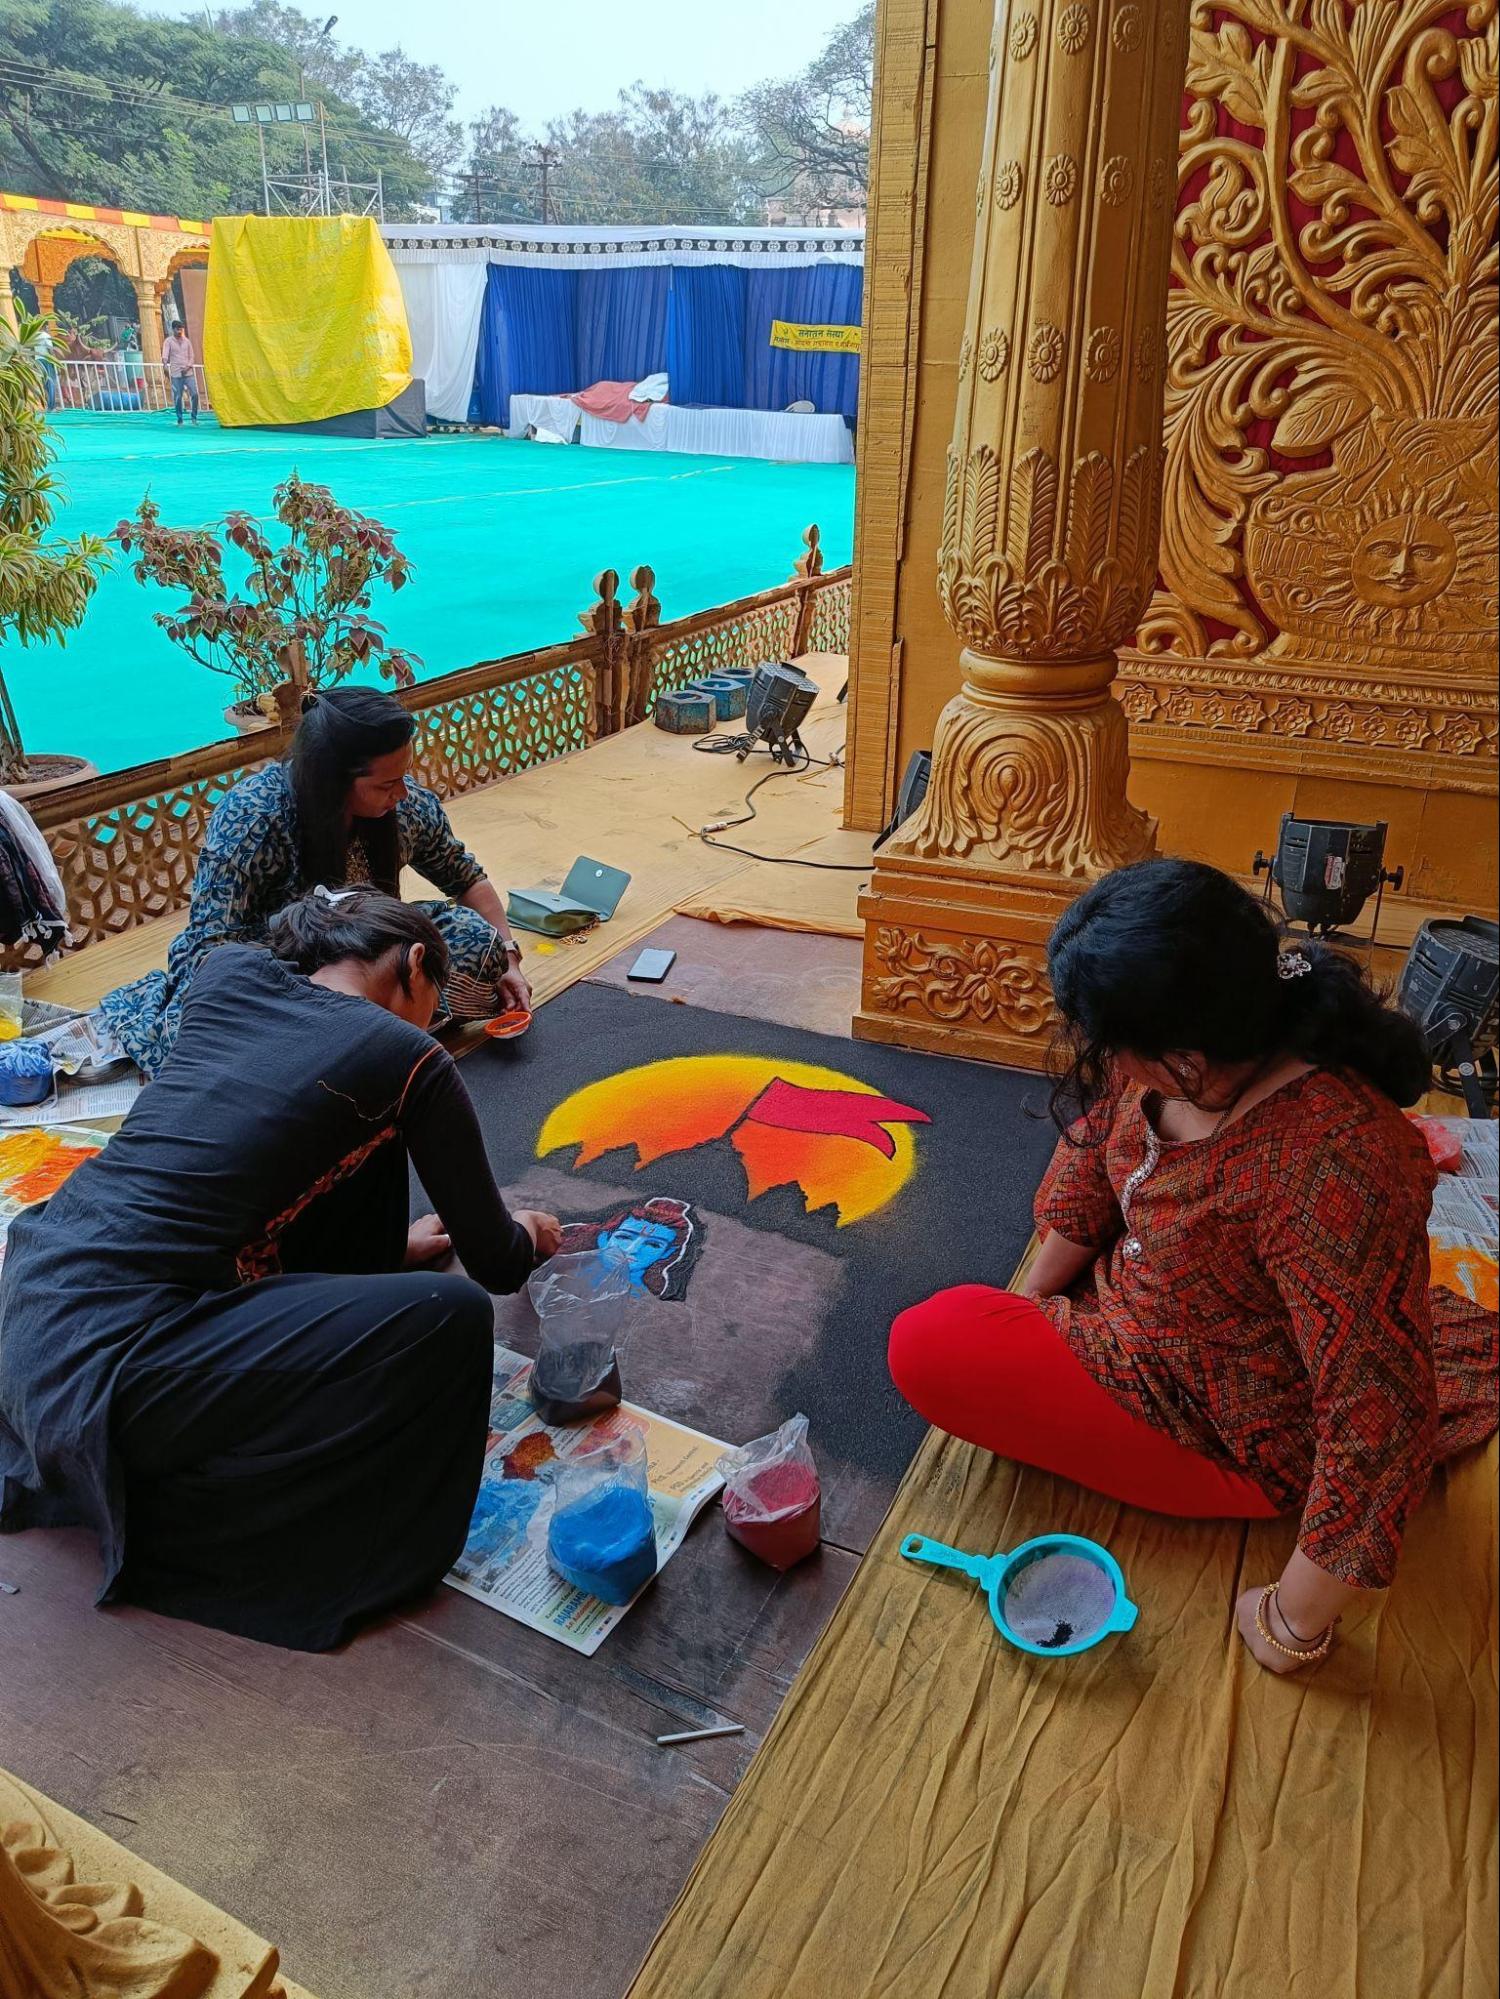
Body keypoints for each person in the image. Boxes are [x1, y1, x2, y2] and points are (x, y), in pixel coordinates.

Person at [889, 860, 1497, 1675]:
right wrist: (1030, 1310)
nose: (1106, 1060)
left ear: (1183, 1055)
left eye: (1117, 1047)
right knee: (960, 1332)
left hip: (1232, 1421)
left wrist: (1291, 1623)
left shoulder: (1335, 1162)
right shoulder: (1179, 1051)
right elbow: (1092, 1165)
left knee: (926, 1342)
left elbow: (1378, 1422)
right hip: (1134, 1322)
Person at [0, 890, 563, 1651]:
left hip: (31, 1307)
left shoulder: (225, 975)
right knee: (453, 1314)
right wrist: (526, 1230)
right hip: (115, 1373)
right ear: (416, 964)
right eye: (434, 1007)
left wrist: (385, 1252)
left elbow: (264, 1139)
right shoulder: (409, 1057)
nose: (435, 1027)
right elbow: (495, 1262)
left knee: (367, 1119)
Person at [98, 686, 532, 1076]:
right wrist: (321, 993)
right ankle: (359, 1034)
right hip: (282, 974)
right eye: (386, 784)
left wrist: (508, 956)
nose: (401, 793)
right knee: (212, 1045)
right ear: (334, 777)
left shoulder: (407, 806)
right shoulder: (253, 815)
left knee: (479, 942)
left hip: (371, 961)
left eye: (402, 779)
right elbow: (211, 947)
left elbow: (466, 879)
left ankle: (350, 1037)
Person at [162, 318, 198, 424]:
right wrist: (164, 364)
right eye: (178, 329)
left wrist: (188, 367)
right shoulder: (168, 341)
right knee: (178, 396)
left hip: (188, 373)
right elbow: (165, 354)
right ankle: (180, 419)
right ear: (173, 330)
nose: (180, 331)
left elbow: (192, 356)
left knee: (194, 394)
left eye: (181, 329)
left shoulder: (187, 342)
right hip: (176, 373)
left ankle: (194, 417)